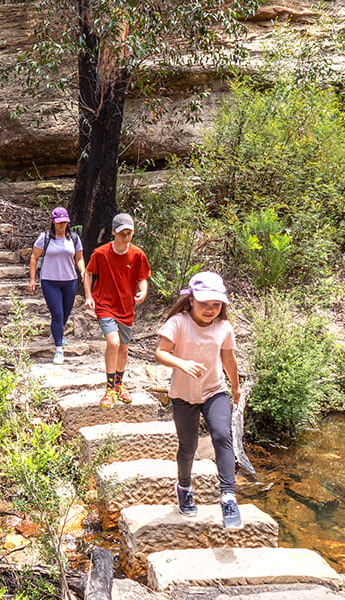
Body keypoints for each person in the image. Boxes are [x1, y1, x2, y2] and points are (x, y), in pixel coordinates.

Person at [154, 271, 243, 529]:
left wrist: (235, 388)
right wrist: (181, 363)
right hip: (183, 395)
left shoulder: (224, 327)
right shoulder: (178, 323)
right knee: (188, 446)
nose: (211, 310)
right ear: (191, 300)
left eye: (216, 305)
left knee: (221, 435)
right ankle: (184, 487)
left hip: (214, 390)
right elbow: (160, 353)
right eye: (205, 304)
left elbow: (228, 359)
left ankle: (228, 496)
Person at [83, 213, 151, 406]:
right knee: (113, 343)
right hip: (105, 304)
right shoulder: (101, 253)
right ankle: (110, 389)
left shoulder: (138, 254)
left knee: (123, 347)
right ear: (113, 232)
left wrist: (142, 292)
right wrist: (89, 296)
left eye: (129, 233)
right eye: (122, 233)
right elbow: (88, 274)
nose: (126, 237)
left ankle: (120, 385)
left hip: (126, 306)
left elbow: (142, 278)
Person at [28, 207, 85, 365]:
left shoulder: (74, 238)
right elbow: (34, 258)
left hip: (70, 280)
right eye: (59, 222)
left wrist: (83, 272)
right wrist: (32, 279)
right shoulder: (44, 238)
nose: (62, 225)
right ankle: (59, 349)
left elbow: (79, 258)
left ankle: (56, 333)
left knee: (66, 312)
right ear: (53, 221)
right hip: (49, 280)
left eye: (65, 222)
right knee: (57, 313)